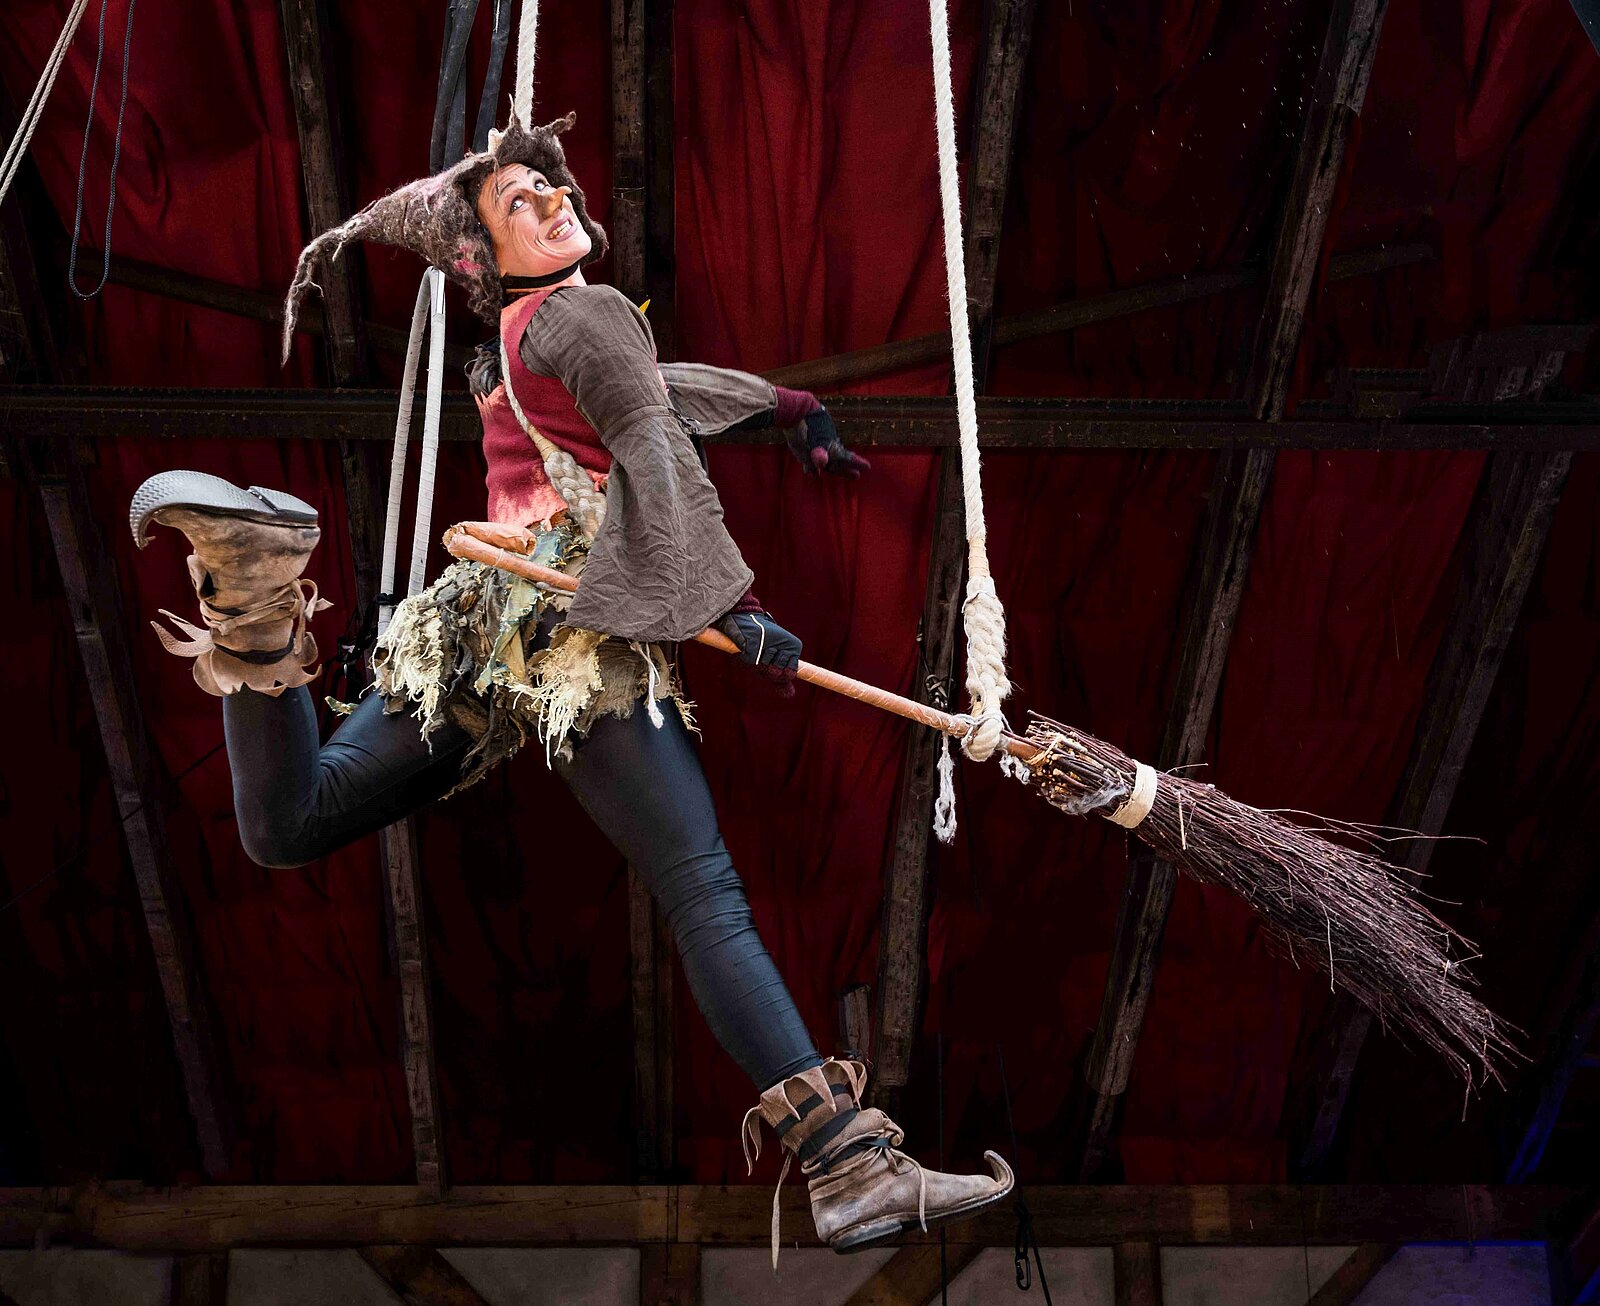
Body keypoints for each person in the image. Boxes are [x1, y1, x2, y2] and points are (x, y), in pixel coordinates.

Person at [129, 112, 1010, 1261]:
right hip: (574, 627)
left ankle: (250, 600)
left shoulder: (527, 334)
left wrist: (787, 408)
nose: (554, 197)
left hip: (483, 619)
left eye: (553, 185)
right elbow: (651, 442)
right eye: (519, 200)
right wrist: (733, 608)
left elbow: (652, 391)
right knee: (701, 889)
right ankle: (848, 1164)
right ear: (480, 255)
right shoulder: (583, 315)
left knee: (290, 822)